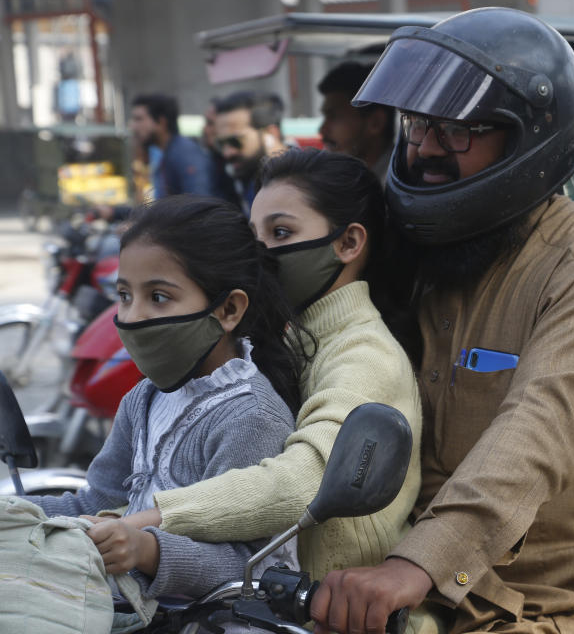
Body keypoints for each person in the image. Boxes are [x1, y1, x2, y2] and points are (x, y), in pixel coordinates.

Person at [295, 8, 574, 634]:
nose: (425, 147)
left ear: (531, 137)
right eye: (418, 123)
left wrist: (415, 565)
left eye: (460, 130)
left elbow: (538, 430)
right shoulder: (411, 249)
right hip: (389, 580)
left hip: (548, 600)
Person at [120, 148, 431, 630]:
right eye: (255, 235)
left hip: (345, 620)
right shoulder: (286, 340)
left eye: (281, 234)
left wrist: (155, 518)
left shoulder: (365, 355)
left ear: (348, 242)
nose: (262, 253)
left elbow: (305, 480)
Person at [20, 196, 303, 603]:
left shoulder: (251, 417)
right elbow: (96, 500)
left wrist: (147, 550)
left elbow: (254, 567)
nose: (132, 317)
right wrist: (15, 510)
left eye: (158, 297)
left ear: (228, 309)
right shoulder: (144, 397)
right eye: (124, 295)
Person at [318, 62, 395, 182]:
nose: (322, 129)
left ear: (376, 122)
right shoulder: (344, 179)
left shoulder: (402, 187)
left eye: (334, 116)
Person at [213, 90, 286, 214]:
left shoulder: (302, 182)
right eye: (221, 144)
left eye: (236, 141)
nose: (227, 153)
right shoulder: (245, 178)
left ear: (271, 134)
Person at [129, 93, 213, 198]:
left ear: (161, 122)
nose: (132, 126)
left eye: (139, 119)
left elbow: (199, 204)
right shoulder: (166, 154)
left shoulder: (184, 153)